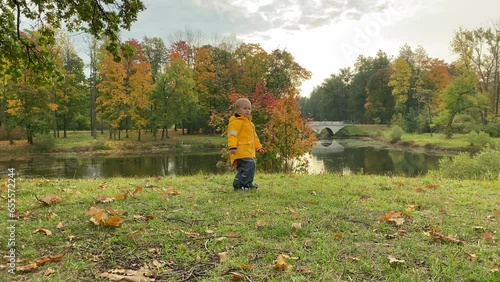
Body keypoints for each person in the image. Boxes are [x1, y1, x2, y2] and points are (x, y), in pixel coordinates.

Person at [227, 98, 264, 190]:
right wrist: (232, 147)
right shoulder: (235, 122)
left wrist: (259, 147)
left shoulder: (251, 125)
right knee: (250, 165)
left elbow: (255, 138)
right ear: (238, 110)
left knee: (246, 168)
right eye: (245, 108)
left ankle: (245, 184)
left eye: (249, 108)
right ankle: (241, 184)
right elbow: (232, 135)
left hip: (248, 152)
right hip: (240, 151)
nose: (248, 110)